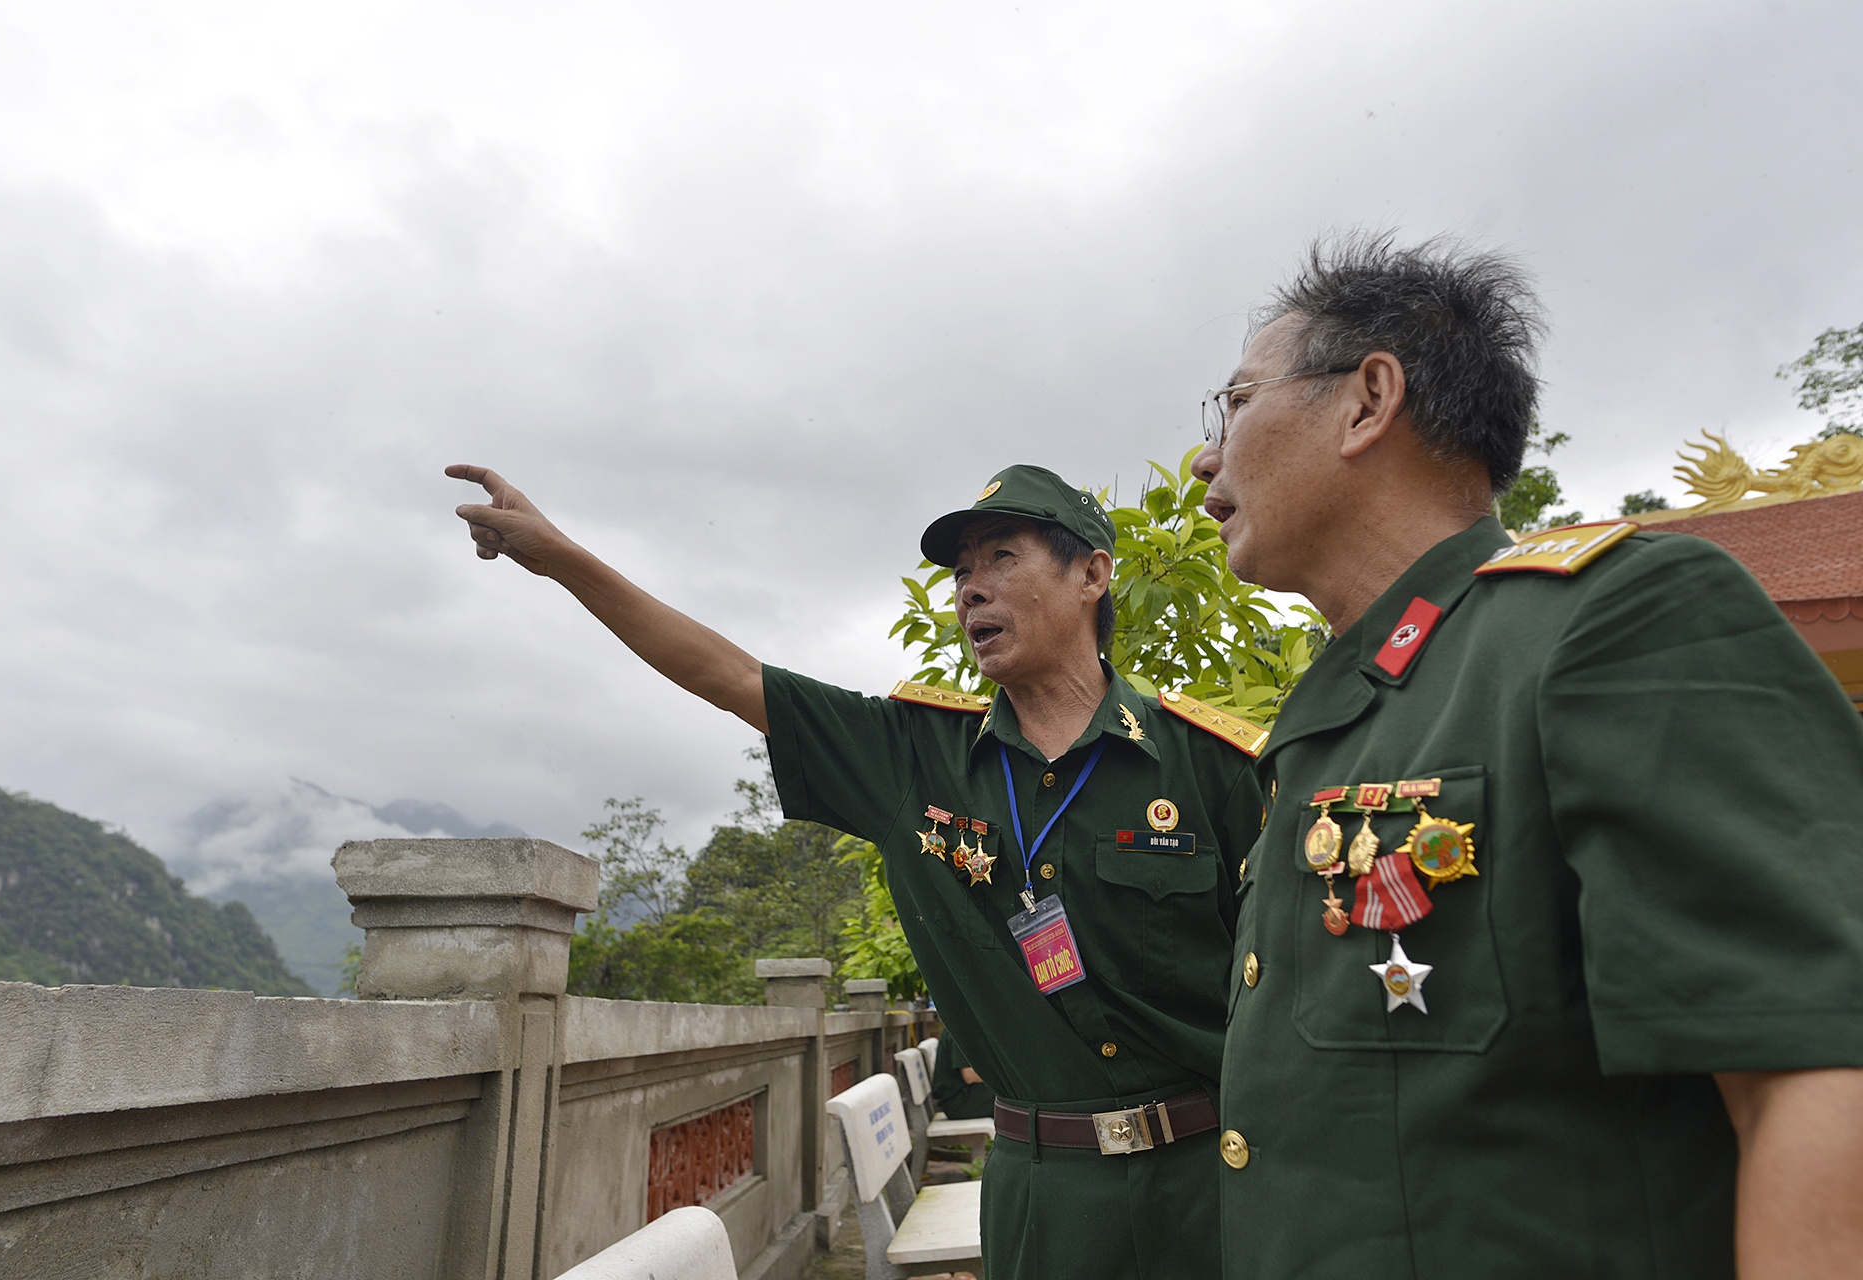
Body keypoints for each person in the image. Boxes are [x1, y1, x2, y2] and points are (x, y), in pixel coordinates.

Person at [1190, 232, 1863, 1280]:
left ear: (1368, 400)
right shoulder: (1342, 712)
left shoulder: (1610, 623)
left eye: (1234, 404)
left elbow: (1818, 1072)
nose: (1206, 458)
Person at [450, 461, 1267, 1279]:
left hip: (1215, 1185)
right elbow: (732, 677)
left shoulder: (1212, 766)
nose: (970, 590)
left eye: (1001, 557)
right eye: (960, 572)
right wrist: (561, 558)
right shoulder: (910, 754)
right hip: (1043, 1199)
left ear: (1092, 574)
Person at [930, 1029, 997, 1122]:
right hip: (958, 1102)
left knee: (1009, 1094)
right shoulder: (960, 1030)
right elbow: (969, 1075)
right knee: (1010, 1097)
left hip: (964, 1094)